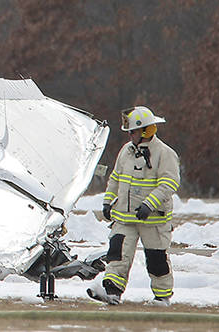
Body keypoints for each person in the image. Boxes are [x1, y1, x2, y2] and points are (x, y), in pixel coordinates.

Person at [88, 105, 181, 306]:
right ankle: (111, 292)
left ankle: (162, 297)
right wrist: (107, 201)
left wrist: (149, 204)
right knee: (117, 255)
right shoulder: (126, 152)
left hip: (154, 220)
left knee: (157, 259)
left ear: (147, 130)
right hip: (124, 218)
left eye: (133, 131)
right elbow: (115, 178)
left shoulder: (165, 153)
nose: (130, 135)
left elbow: (169, 183)